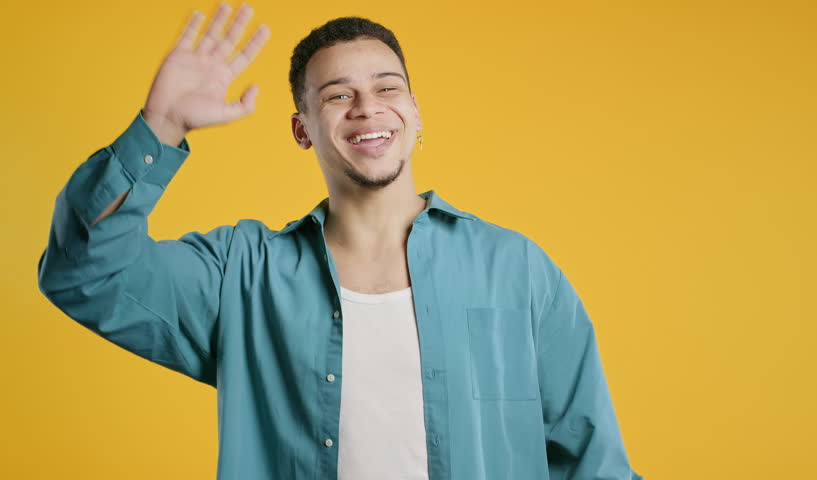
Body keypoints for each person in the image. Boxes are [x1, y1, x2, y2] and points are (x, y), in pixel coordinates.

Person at [36, 3, 642, 479]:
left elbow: (593, 461)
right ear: (302, 129)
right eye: (337, 95)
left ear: (415, 112)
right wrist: (161, 126)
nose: (366, 108)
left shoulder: (515, 269)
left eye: (387, 88)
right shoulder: (241, 275)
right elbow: (84, 272)